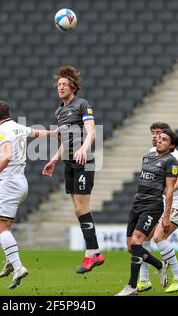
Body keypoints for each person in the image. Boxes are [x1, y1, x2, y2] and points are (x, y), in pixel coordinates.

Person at [0, 100, 57, 289]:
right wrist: (55, 133)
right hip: (21, 183)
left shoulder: (0, 131)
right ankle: (10, 258)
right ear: (9, 112)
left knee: (3, 229)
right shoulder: (17, 127)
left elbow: (7, 155)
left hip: (9, 183)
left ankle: (18, 267)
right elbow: (37, 133)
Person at [42, 65, 105, 274]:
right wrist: (54, 160)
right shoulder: (59, 111)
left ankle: (93, 254)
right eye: (58, 85)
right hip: (69, 163)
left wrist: (84, 150)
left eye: (64, 84)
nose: (60, 87)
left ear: (73, 87)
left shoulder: (82, 104)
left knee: (81, 208)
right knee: (78, 210)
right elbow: (66, 142)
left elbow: (92, 131)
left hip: (83, 162)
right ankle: (94, 254)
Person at [116, 128, 178, 296]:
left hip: (153, 205)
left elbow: (170, 190)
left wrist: (166, 216)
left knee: (137, 242)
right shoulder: (147, 157)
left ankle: (132, 286)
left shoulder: (170, 161)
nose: (159, 140)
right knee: (131, 247)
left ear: (171, 145)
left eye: (164, 139)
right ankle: (159, 265)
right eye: (159, 138)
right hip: (137, 203)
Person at [137, 122, 178, 293]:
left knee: (159, 236)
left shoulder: (173, 155)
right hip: (162, 202)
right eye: (153, 133)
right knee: (145, 237)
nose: (155, 136)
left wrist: (162, 192)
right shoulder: (151, 153)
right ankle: (144, 280)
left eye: (159, 133)